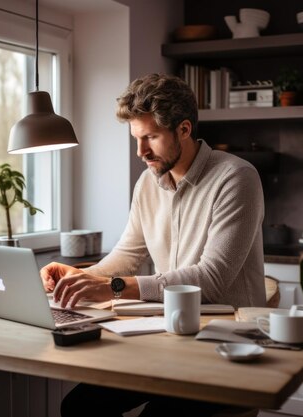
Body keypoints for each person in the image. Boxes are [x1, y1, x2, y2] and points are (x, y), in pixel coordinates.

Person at [40, 73, 266, 416]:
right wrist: (79, 275)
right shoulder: (149, 182)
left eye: (151, 138)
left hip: (226, 345)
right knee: (78, 407)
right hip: (168, 339)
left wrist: (113, 288)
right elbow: (128, 255)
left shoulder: (236, 178)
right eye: (135, 138)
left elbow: (212, 278)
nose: (140, 152)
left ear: (184, 130)